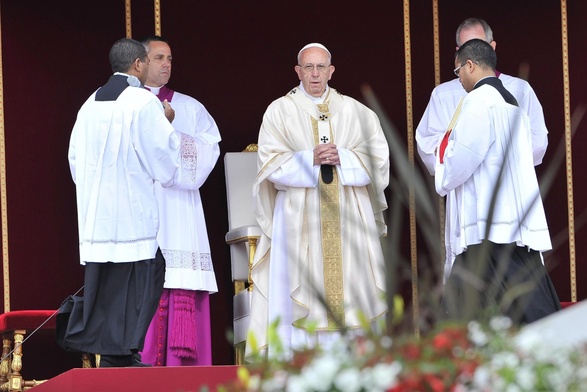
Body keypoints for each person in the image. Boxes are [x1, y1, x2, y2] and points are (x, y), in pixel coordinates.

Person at [60, 38, 200, 367]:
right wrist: (165, 121)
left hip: (97, 216)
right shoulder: (142, 102)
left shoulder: (89, 103)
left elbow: (75, 160)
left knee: (105, 284)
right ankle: (123, 352)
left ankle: (110, 354)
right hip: (132, 215)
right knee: (148, 273)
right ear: (138, 65)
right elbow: (162, 161)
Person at [246, 43, 390, 360]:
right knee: (297, 284)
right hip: (299, 216)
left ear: (331, 70)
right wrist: (307, 159)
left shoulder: (355, 111)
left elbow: (379, 161)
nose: (314, 74)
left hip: (348, 214)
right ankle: (295, 360)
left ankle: (354, 361)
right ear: (298, 71)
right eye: (308, 67)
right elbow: (269, 165)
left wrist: (346, 157)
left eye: (320, 67)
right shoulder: (279, 111)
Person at [435, 38, 561, 324]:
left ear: (469, 65)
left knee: (470, 306)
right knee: (524, 294)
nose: (460, 80)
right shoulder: (512, 104)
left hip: (487, 221)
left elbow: (465, 156)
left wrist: (443, 168)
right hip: (513, 217)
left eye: (458, 73)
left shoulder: (478, 101)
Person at [415, 17, 549, 280]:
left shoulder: (516, 90)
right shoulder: (444, 94)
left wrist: (493, 161)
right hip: (472, 191)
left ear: (491, 48)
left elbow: (538, 142)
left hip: (499, 189)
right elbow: (428, 143)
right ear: (459, 54)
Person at [139, 36, 221, 366]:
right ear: (139, 62)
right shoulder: (125, 104)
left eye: (170, 58)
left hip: (181, 210)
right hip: (143, 208)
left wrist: (172, 134)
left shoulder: (190, 107)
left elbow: (206, 152)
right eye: (159, 57)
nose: (166, 64)